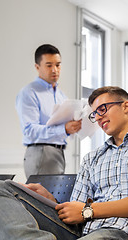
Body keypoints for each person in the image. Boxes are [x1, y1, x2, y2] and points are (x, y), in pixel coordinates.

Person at [0, 86, 128, 239]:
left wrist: (88, 211)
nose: (98, 117)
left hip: (125, 232)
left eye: (103, 109)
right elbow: (77, 211)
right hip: (82, 231)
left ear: (126, 106)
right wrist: (51, 201)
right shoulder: (92, 158)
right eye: (94, 114)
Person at [16, 44, 82, 179]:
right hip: (40, 152)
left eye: (58, 65)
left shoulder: (61, 95)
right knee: (40, 199)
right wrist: (64, 129)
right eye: (49, 65)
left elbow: (63, 128)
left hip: (59, 153)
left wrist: (73, 126)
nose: (55, 70)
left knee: (54, 199)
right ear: (37, 67)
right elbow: (29, 130)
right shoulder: (29, 92)